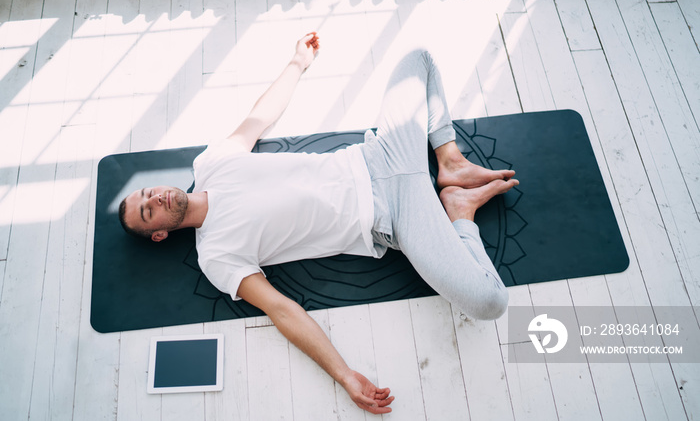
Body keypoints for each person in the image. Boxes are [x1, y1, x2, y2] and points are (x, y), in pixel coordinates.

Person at [119, 32, 518, 415]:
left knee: (419, 58)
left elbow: (258, 118)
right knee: (489, 303)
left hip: (379, 154)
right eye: (147, 211)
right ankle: (460, 210)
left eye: (146, 193)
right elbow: (282, 310)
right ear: (159, 233)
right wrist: (343, 374)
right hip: (394, 215)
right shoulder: (216, 256)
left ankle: (450, 161)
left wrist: (297, 63)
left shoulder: (210, 164)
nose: (155, 198)